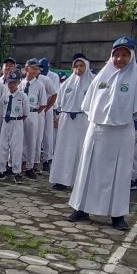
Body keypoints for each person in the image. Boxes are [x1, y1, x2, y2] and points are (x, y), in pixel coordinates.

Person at [69, 37, 137, 231]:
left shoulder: (135, 78)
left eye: (124, 55)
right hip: (97, 130)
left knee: (119, 173)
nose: (119, 59)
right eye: (116, 55)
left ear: (131, 57)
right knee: (88, 169)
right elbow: (88, 104)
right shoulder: (101, 77)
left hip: (121, 132)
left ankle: (117, 215)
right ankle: (81, 209)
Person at [49, 55, 93, 190]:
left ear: (86, 66)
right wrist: (57, 116)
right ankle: (62, 180)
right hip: (67, 120)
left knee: (81, 150)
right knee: (64, 150)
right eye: (76, 66)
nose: (78, 69)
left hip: (83, 120)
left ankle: (80, 182)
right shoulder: (67, 83)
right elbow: (59, 103)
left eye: (81, 66)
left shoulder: (93, 83)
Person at [0, 72, 28, 182]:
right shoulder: (4, 97)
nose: (11, 85)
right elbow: (1, 111)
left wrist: (17, 120)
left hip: (17, 122)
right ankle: (1, 170)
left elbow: (26, 113)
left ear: (18, 83)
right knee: (3, 147)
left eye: (14, 83)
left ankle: (17, 171)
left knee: (16, 148)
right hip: (6, 122)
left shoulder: (22, 96)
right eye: (9, 83)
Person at [21, 59, 47, 179]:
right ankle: (19, 163)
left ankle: (30, 167)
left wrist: (33, 112)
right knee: (20, 140)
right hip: (20, 115)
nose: (36, 71)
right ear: (27, 69)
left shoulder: (39, 85)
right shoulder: (21, 83)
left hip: (33, 113)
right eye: (34, 68)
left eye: (37, 69)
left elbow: (42, 104)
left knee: (32, 141)